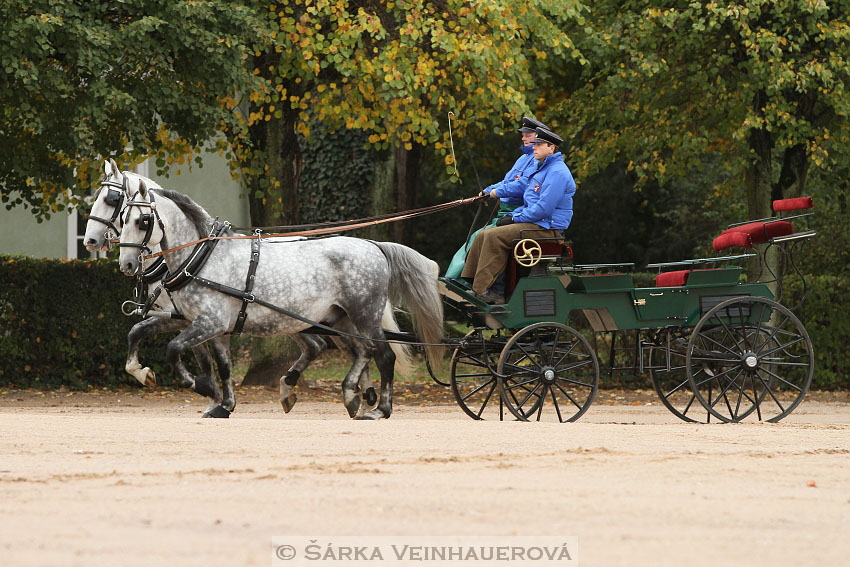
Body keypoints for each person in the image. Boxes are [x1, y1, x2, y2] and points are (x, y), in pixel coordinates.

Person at [461, 126, 575, 303]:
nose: (534, 147)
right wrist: (514, 214)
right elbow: (529, 202)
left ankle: (485, 291)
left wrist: (514, 218)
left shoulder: (557, 173)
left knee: (494, 236)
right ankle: (470, 283)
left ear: (551, 148)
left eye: (539, 144)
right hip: (535, 223)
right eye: (534, 143)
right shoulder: (541, 168)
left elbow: (543, 209)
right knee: (483, 234)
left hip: (547, 228)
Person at [444, 116, 549, 280]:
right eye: (523, 135)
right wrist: (487, 191)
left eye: (527, 135)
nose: (523, 138)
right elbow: (507, 181)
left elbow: (522, 185)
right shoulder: (523, 158)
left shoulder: (537, 161)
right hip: (506, 212)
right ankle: (459, 279)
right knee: (476, 237)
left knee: (487, 237)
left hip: (518, 212)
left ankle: (481, 284)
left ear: (539, 137)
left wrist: (496, 193)